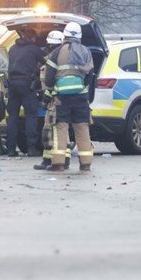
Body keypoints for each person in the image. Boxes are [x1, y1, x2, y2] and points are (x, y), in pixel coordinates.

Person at [43, 22, 94, 172]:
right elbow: (90, 74)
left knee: (61, 129)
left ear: (65, 35)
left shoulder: (57, 52)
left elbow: (49, 77)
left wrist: (51, 90)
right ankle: (86, 163)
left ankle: (58, 164)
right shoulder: (86, 51)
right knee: (82, 129)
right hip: (81, 97)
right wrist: (82, 86)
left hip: (61, 99)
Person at [5, 28, 44, 157]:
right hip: (27, 84)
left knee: (13, 116)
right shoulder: (34, 49)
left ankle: (11, 149)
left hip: (12, 85)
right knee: (31, 115)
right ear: (33, 38)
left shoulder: (12, 49)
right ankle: (31, 147)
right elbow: (47, 62)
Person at [34, 30, 67, 171]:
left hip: (55, 100)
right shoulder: (56, 58)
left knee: (53, 131)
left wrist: (46, 96)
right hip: (55, 100)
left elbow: (52, 81)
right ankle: (51, 159)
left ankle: (56, 160)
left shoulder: (55, 60)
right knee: (52, 131)